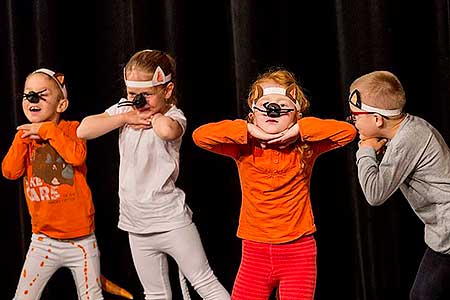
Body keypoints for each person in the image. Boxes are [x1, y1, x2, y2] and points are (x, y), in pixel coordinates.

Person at [76, 49, 230, 300]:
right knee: (155, 293)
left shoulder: (172, 115)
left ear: (167, 90)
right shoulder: (124, 112)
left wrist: (151, 115)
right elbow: (84, 130)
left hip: (170, 220)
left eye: (146, 94)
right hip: (136, 223)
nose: (138, 101)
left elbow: (168, 131)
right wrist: (125, 116)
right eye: (132, 94)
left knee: (204, 282)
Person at [192, 68, 357, 300]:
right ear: (253, 112)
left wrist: (301, 130)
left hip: (299, 252)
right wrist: (247, 131)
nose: (273, 109)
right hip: (254, 253)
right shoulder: (244, 146)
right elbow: (201, 136)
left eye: (282, 104)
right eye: (266, 103)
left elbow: (347, 132)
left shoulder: (306, 147)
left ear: (295, 114)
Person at [347, 70, 450, 300]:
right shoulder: (410, 129)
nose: (352, 122)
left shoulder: (406, 139)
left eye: (355, 116)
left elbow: (374, 194)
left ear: (377, 119)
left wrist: (364, 151)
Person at [2, 68, 104, 299]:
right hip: (43, 240)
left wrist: (47, 130)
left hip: (81, 241)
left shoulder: (71, 129)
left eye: (41, 94)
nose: (32, 99)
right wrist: (21, 140)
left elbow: (76, 156)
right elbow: (10, 171)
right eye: (28, 94)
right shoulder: (24, 136)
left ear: (61, 105)